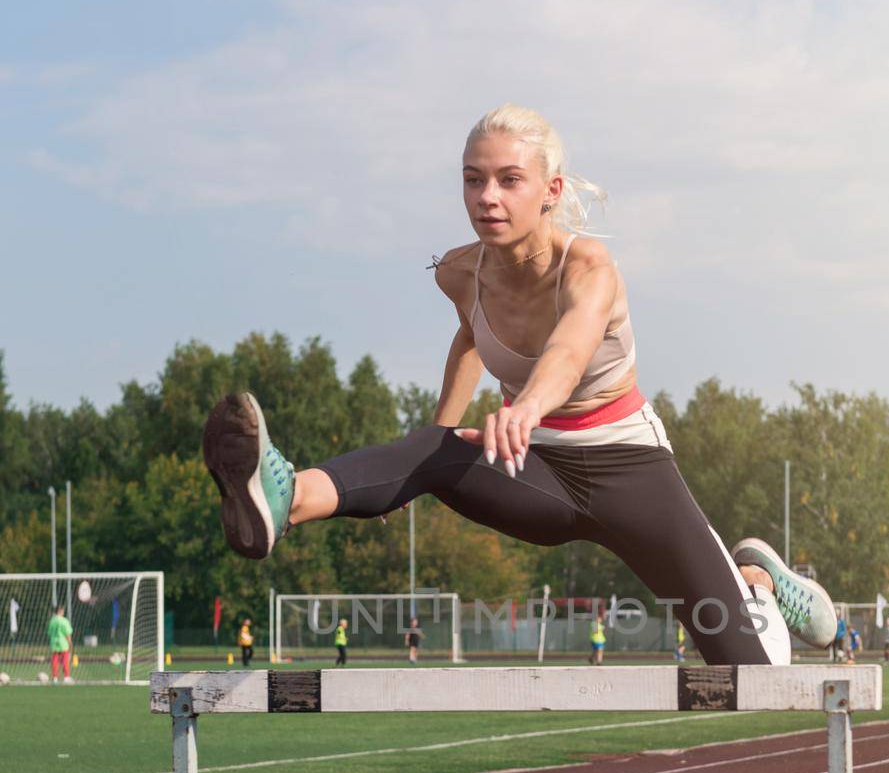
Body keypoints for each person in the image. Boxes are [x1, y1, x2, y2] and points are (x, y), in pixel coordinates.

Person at [202, 105, 837, 666]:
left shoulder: (589, 268)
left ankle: (755, 580)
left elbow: (569, 348)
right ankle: (285, 498)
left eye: (509, 180)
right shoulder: (458, 272)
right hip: (536, 472)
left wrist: (527, 405)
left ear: (550, 191)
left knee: (752, 675)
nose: (487, 197)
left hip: (631, 471)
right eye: (473, 180)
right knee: (438, 452)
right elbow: (469, 341)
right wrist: (423, 453)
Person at [47, 603, 73, 683]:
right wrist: (70, 642)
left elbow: (50, 633)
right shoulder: (64, 621)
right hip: (63, 643)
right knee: (65, 660)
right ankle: (66, 677)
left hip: (54, 642)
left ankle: (55, 677)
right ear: (61, 611)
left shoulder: (52, 621)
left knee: (54, 660)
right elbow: (67, 633)